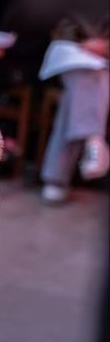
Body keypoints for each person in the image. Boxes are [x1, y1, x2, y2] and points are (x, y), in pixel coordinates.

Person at [38, 14, 110, 204]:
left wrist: (106, 47)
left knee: (80, 91)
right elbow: (62, 27)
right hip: (74, 55)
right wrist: (86, 45)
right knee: (87, 74)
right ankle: (94, 140)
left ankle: (56, 178)